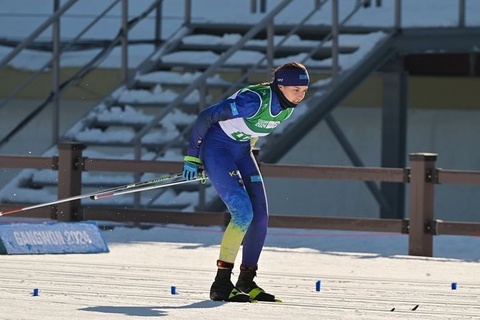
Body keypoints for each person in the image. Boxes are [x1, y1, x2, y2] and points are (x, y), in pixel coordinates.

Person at [182, 62, 310, 302]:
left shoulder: (287, 107)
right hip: (217, 148)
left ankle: (246, 281)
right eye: (296, 89)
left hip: (240, 151)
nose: (300, 96)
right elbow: (206, 117)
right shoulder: (253, 100)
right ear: (280, 86)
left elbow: (250, 133)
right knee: (242, 213)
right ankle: (221, 284)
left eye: (304, 90)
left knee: (260, 215)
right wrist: (193, 158)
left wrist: (236, 165)